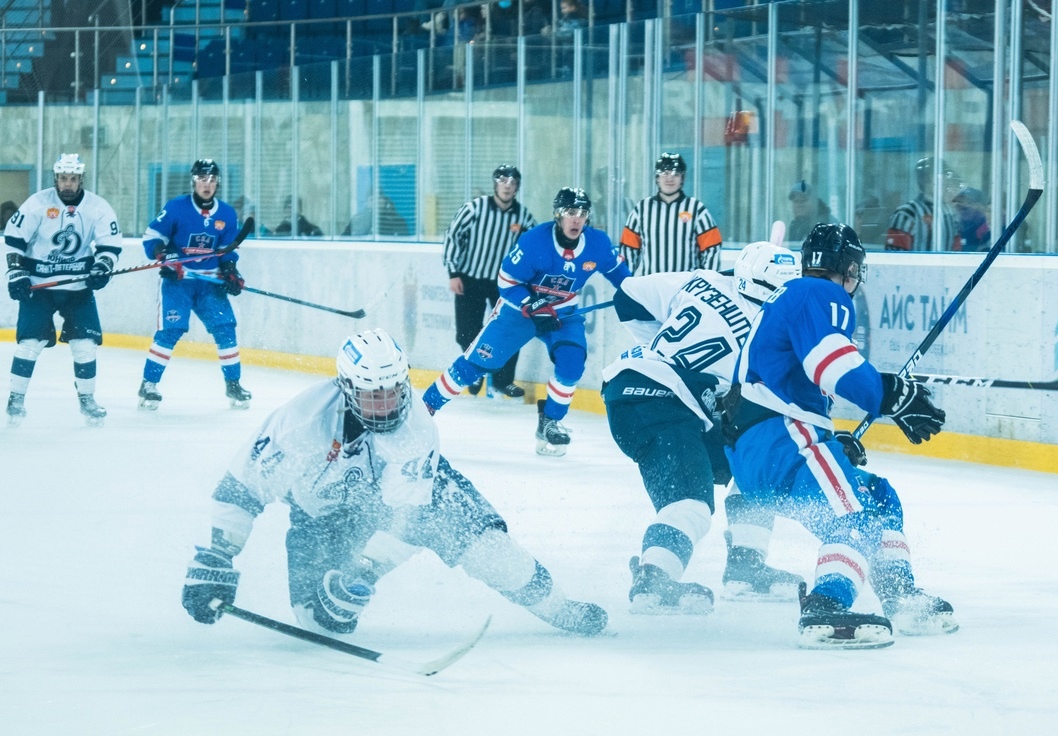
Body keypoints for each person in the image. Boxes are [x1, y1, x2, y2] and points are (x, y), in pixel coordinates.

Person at [180, 329, 607, 638]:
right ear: (347, 389)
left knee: (488, 549)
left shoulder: (417, 428)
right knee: (320, 621)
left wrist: (361, 574)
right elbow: (243, 488)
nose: (386, 405)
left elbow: (409, 518)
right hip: (320, 516)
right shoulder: (301, 423)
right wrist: (219, 555)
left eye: (392, 391)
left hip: (410, 500)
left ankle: (559, 607)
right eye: (372, 395)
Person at [723, 222, 956, 649]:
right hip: (782, 434)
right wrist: (888, 394)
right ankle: (825, 606)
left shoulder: (790, 297)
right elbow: (830, 364)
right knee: (855, 516)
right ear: (849, 268)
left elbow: (801, 377)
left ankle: (899, 595)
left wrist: (834, 438)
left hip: (762, 445)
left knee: (877, 495)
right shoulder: (819, 294)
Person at [603, 243, 806, 614]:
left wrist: (662, 354)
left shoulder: (702, 280)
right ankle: (653, 578)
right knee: (691, 505)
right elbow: (778, 409)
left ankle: (746, 567)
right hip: (663, 400)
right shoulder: (770, 336)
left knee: (752, 463)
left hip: (636, 385)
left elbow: (628, 297)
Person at [422, 187, 631, 456]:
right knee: (476, 365)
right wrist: (532, 304)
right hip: (518, 310)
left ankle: (551, 421)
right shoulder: (535, 242)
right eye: (570, 212)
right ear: (558, 215)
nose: (576, 219)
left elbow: (622, 277)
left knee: (572, 363)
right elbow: (506, 282)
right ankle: (426, 406)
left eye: (582, 213)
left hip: (563, 312)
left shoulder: (598, 243)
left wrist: (632, 295)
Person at [4, 153, 122, 427]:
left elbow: (110, 246)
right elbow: (14, 240)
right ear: (56, 178)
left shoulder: (98, 207)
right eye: (63, 178)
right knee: (29, 344)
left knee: (85, 345)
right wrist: (16, 273)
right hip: (39, 286)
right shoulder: (37, 204)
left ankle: (87, 399)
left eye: (73, 178)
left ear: (81, 179)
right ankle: (16, 399)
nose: (67, 184)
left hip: (78, 287)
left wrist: (103, 266)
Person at [138, 158, 252, 411]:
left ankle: (233, 384)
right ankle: (148, 384)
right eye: (202, 179)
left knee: (225, 329)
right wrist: (163, 255)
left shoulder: (226, 213)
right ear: (194, 181)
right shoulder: (176, 208)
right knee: (171, 330)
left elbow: (226, 250)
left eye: (211, 180)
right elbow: (152, 237)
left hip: (209, 283)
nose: (207, 184)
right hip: (178, 281)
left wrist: (230, 270)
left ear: (217, 183)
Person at [443, 164, 537, 399]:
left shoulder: (523, 216)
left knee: (509, 330)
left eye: (513, 182)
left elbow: (535, 246)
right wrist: (453, 272)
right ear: (495, 183)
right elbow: (453, 236)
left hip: (505, 283)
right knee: (466, 332)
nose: (507, 185)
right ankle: (473, 373)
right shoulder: (473, 209)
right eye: (503, 180)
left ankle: (503, 380)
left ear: (517, 187)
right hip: (470, 278)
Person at [620, 153, 722, 275]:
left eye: (676, 174)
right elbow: (628, 249)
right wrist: (626, 281)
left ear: (682, 179)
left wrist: (708, 280)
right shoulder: (642, 209)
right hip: (651, 287)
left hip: (686, 288)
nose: (670, 179)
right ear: (657, 178)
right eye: (665, 173)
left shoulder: (696, 209)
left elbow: (712, 248)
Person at [885, 157, 962, 252]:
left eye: (944, 175)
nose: (943, 181)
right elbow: (894, 255)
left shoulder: (949, 212)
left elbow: (956, 249)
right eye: (937, 175)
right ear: (924, 180)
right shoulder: (906, 213)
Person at [343, 190, 409, 237]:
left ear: (385, 201)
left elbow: (403, 241)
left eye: (379, 198)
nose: (375, 202)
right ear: (367, 203)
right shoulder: (357, 220)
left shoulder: (396, 221)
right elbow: (344, 240)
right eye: (372, 199)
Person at [953, 185, 991, 252]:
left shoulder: (986, 229)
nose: (961, 206)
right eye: (959, 201)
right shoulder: (955, 226)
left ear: (980, 206)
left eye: (968, 202)